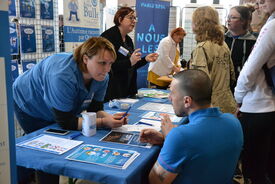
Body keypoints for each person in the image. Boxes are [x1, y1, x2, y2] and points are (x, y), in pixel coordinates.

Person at [13, 37, 129, 184]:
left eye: (110, 63)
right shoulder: (62, 75)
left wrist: (110, 119)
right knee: (47, 154)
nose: (107, 69)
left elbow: (96, 109)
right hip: (30, 104)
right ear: (86, 59)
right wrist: (103, 122)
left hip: (60, 110)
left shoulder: (101, 76)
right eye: (102, 63)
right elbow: (66, 122)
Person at [140, 69, 243, 184]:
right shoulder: (234, 122)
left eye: (172, 93)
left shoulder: (180, 136)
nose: (170, 98)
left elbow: (155, 181)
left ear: (187, 101)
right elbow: (204, 148)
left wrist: (170, 138)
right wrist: (166, 139)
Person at [234, 0, 275, 183]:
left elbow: (249, 70)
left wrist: (238, 98)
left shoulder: (272, 25)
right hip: (270, 105)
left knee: (254, 170)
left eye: (263, 1)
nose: (259, 4)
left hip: (258, 106)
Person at [100, 6, 158, 101]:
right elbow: (107, 67)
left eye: (135, 18)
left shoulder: (128, 40)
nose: (134, 21)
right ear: (120, 19)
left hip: (126, 90)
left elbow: (132, 64)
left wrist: (145, 59)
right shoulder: (108, 37)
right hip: (112, 91)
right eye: (131, 17)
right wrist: (130, 62)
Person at [188, 6, 237, 114]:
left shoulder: (201, 48)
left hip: (210, 108)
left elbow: (199, 84)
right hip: (228, 103)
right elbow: (232, 75)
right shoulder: (223, 45)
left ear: (198, 23)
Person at [225, 5, 257, 92]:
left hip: (241, 86)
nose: (228, 20)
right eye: (228, 17)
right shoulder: (222, 39)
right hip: (222, 85)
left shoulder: (253, 42)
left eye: (233, 17)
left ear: (242, 21)